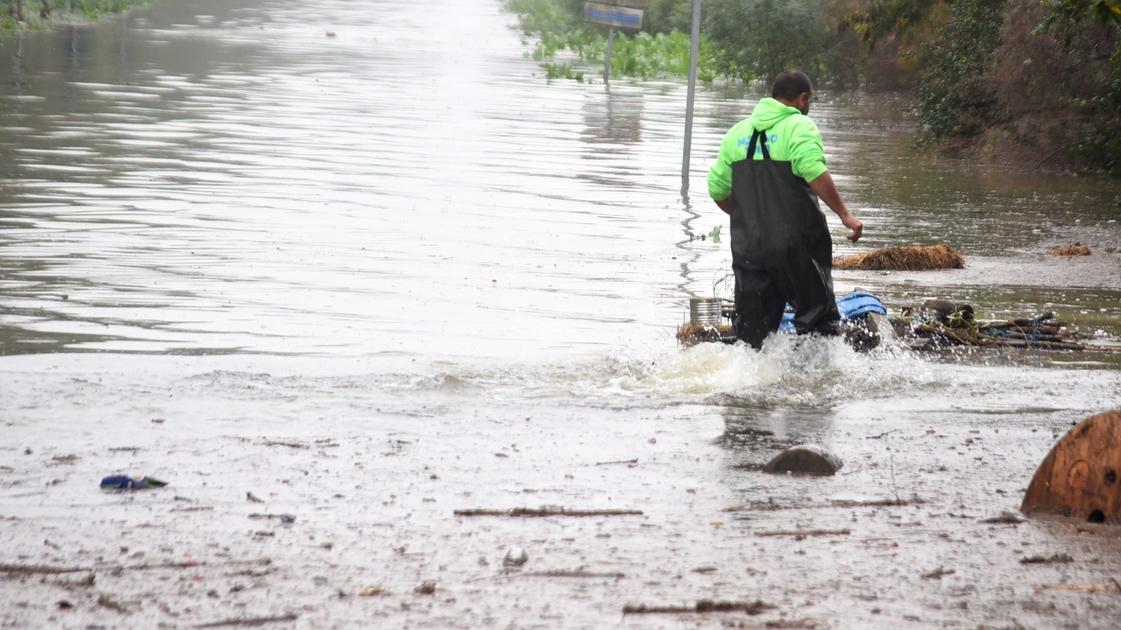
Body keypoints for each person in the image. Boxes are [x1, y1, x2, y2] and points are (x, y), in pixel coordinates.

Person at [707, 70, 863, 349]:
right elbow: (814, 170)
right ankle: (816, 384)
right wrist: (845, 215)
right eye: (810, 100)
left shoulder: (736, 133)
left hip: (750, 249)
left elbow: (717, 189)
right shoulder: (799, 127)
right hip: (798, 247)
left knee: (752, 337)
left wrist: (749, 219)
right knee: (818, 326)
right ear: (803, 99)